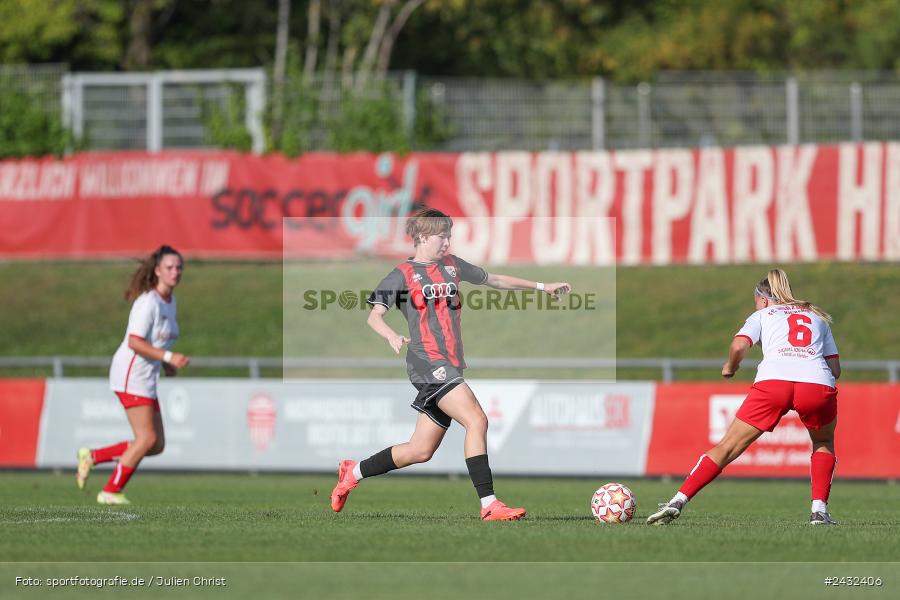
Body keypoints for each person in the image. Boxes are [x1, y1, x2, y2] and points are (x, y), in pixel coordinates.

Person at [330, 208, 571, 521]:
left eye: (449, 235)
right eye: (442, 236)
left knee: (420, 450)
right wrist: (390, 335)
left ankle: (353, 471)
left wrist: (542, 287)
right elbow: (374, 315)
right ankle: (489, 505)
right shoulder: (401, 274)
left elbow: (494, 279)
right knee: (477, 419)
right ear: (422, 237)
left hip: (450, 364)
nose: (447, 241)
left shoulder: (453, 266)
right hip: (426, 361)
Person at [646, 268, 841, 526]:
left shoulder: (762, 314)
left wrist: (730, 367)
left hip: (773, 383)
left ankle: (678, 500)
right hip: (816, 383)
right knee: (823, 442)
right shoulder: (816, 315)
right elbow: (835, 370)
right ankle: (818, 512)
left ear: (762, 299)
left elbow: (739, 345)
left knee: (727, 447)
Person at [76, 245, 190, 505]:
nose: (176, 272)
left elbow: (156, 342)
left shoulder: (170, 302)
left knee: (155, 444)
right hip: (130, 375)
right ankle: (110, 491)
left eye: (179, 267)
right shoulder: (148, 302)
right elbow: (135, 342)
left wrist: (165, 364)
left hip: (147, 377)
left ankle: (93, 457)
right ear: (158, 271)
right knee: (146, 438)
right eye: (170, 267)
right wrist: (168, 357)